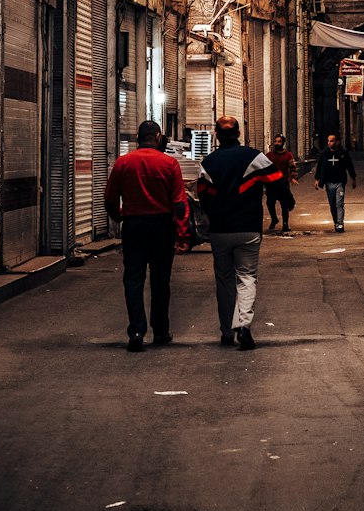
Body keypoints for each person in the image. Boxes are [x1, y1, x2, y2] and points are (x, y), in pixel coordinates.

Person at [104, 120, 190, 353]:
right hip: (162, 227)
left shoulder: (123, 163)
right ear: (158, 136)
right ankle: (160, 331)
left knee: (133, 279)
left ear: (138, 137)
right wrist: (182, 234)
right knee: (160, 280)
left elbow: (110, 199)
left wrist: (119, 217)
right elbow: (180, 203)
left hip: (134, 226)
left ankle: (137, 331)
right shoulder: (169, 163)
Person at [197, 115, 281, 350]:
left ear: (216, 134)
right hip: (248, 228)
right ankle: (243, 325)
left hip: (220, 229)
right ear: (239, 133)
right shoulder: (253, 157)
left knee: (223, 279)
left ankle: (226, 331)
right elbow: (276, 180)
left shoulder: (209, 162)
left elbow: (203, 194)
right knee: (246, 277)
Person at [314, 132, 357, 232]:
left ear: (337, 141)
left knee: (339, 204)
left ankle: (340, 224)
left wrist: (353, 178)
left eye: (332, 141)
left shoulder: (343, 153)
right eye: (328, 141)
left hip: (340, 183)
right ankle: (336, 222)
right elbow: (319, 167)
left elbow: (349, 165)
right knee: (332, 204)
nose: (329, 143)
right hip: (328, 183)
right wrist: (317, 179)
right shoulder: (324, 154)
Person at [265, 133, 298, 234]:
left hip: (283, 183)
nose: (277, 143)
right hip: (271, 184)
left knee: (284, 204)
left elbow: (292, 167)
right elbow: (264, 168)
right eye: (275, 141)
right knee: (270, 203)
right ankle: (274, 219)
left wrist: (293, 177)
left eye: (279, 141)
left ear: (283, 143)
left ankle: (285, 224)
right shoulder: (269, 155)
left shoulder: (288, 155)